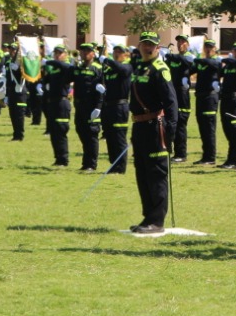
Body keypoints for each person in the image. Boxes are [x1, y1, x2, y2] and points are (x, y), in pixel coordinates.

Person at [128, 32, 178, 235]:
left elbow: (171, 103)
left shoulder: (160, 69)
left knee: (156, 173)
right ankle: (148, 216)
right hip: (139, 126)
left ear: (158, 48)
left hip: (155, 127)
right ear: (139, 46)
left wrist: (170, 133)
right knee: (142, 172)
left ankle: (157, 221)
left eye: (152, 45)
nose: (148, 48)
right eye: (144, 44)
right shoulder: (140, 67)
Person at [72, 42, 106, 171]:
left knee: (91, 135)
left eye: (87, 51)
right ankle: (86, 162)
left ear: (93, 53)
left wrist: (98, 107)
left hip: (92, 107)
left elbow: (102, 89)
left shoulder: (97, 68)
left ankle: (91, 164)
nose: (84, 53)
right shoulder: (79, 67)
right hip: (80, 106)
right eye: (82, 51)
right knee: (81, 132)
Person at [101, 43, 133, 173]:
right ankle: (113, 164)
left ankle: (121, 167)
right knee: (110, 137)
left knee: (119, 137)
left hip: (120, 106)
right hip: (108, 105)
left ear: (125, 54)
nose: (116, 54)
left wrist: (107, 60)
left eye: (119, 52)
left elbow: (123, 71)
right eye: (115, 51)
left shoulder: (127, 66)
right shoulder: (109, 69)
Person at [41, 45, 75, 163]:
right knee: (53, 131)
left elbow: (65, 67)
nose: (57, 55)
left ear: (65, 55)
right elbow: (46, 80)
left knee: (61, 131)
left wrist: (50, 62)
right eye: (55, 53)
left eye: (60, 53)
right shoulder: (53, 68)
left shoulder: (66, 65)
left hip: (62, 102)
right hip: (52, 102)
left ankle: (64, 159)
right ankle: (57, 158)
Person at [164, 35, 195, 162]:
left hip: (182, 96)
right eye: (178, 42)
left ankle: (181, 154)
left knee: (180, 125)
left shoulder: (189, 56)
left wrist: (170, 55)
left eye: (183, 41)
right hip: (171, 94)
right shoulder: (172, 58)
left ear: (187, 44)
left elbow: (188, 62)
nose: (180, 44)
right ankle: (168, 149)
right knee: (170, 123)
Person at [193, 39, 221, 165]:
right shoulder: (201, 62)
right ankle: (205, 156)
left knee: (209, 128)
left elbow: (214, 65)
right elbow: (191, 69)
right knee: (202, 128)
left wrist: (196, 59)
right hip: (200, 97)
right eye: (206, 47)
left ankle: (210, 157)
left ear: (215, 48)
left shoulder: (216, 60)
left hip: (210, 97)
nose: (208, 49)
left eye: (210, 47)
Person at [4, 43, 29, 141]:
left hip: (20, 91)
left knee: (19, 115)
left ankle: (20, 135)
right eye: (10, 50)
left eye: (14, 50)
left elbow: (23, 75)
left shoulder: (22, 63)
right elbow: (8, 79)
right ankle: (15, 135)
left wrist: (18, 67)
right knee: (12, 114)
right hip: (11, 92)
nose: (11, 52)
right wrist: (6, 95)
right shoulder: (9, 62)